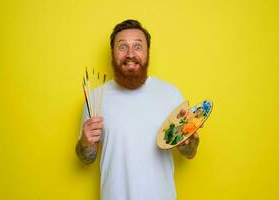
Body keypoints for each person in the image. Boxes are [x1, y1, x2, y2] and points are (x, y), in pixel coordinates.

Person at [76, 19, 200, 200]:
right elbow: (86, 158)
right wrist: (85, 143)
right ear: (112, 53)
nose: (130, 54)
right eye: (122, 46)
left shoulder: (171, 94)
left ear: (147, 53)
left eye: (138, 46)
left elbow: (190, 154)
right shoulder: (95, 98)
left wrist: (189, 144)